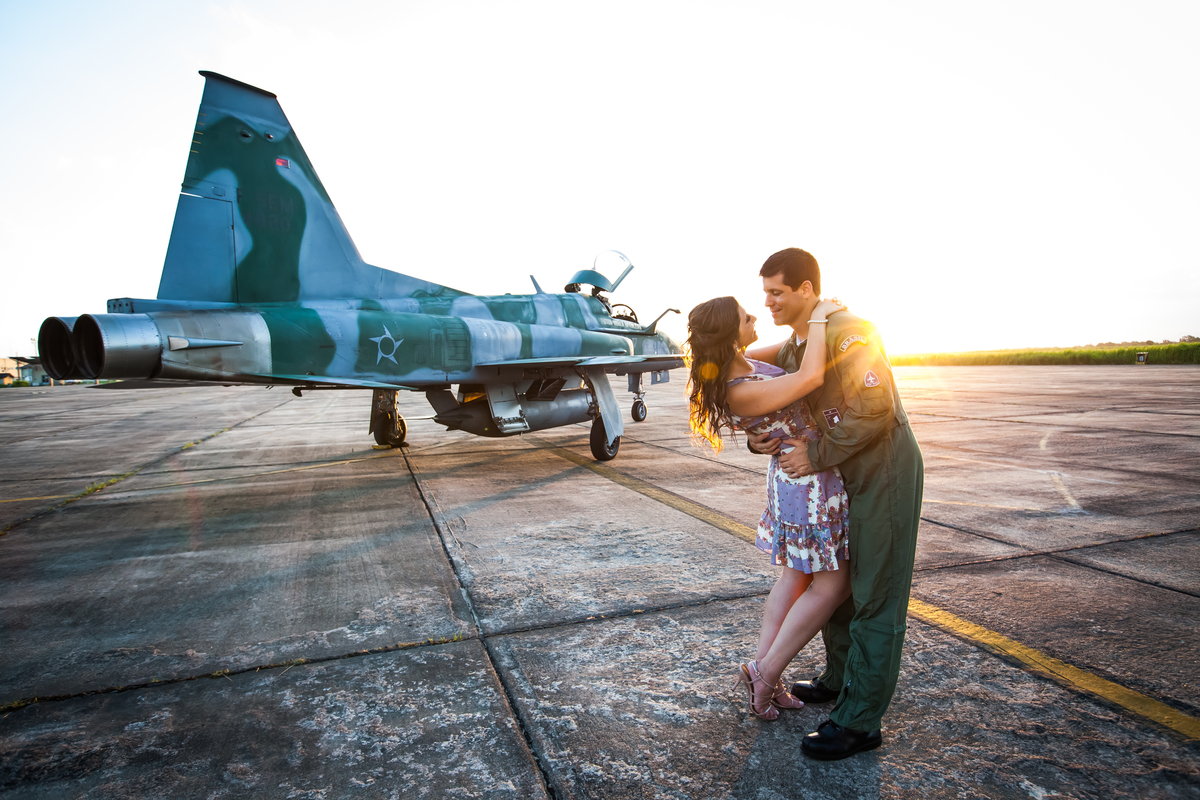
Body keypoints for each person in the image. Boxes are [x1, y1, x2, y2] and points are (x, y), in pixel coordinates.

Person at [744, 247, 924, 760]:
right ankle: (839, 678)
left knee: (875, 596)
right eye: (764, 293)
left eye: (777, 292)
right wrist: (757, 440)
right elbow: (765, 384)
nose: (769, 302)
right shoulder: (802, 341)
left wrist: (815, 454)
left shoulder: (849, 331)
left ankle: (860, 721)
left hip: (883, 474)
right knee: (838, 587)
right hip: (844, 478)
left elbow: (875, 407)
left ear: (806, 290)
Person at [686, 294, 849, 721]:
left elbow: (793, 349)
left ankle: (766, 678)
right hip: (806, 484)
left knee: (795, 578)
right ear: (730, 333)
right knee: (833, 586)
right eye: (745, 317)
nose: (755, 315)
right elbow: (811, 375)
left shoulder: (745, 364)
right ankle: (766, 672)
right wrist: (820, 314)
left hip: (801, 479)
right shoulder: (738, 389)